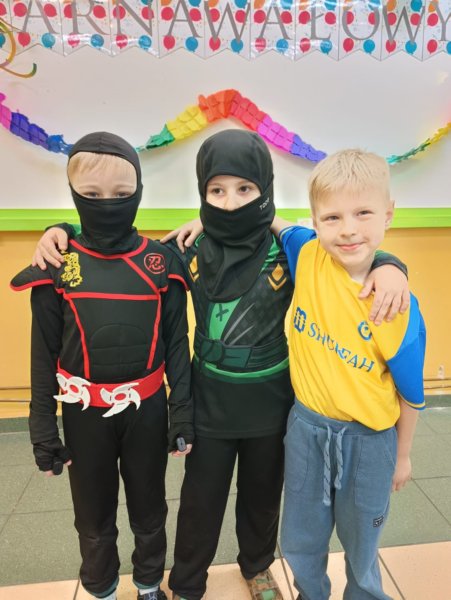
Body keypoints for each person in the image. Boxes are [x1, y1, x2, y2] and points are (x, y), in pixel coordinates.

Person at [31, 130, 410, 600]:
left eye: (245, 188)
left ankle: (257, 567)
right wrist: (61, 231)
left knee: (262, 498)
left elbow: (347, 251)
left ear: (264, 188)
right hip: (209, 401)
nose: (230, 202)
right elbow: (116, 248)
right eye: (217, 190)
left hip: (272, 403)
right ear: (203, 192)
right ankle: (188, 582)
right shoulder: (185, 248)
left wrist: (391, 264)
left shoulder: (290, 251)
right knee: (200, 500)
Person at [10, 132, 194, 600]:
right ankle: (101, 588)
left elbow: (178, 344)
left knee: (150, 508)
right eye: (91, 194)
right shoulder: (57, 264)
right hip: (83, 414)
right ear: (73, 193)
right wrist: (41, 428)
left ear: (139, 191)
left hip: (147, 410)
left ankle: (149, 584)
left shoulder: (161, 263)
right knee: (92, 514)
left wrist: (183, 413)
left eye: (121, 192)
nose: (107, 203)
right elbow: (42, 354)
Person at [271, 149, 426, 600]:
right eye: (332, 217)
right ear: (316, 222)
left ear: (388, 215)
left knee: (362, 544)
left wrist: (402, 455)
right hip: (307, 429)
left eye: (363, 213)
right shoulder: (306, 253)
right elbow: (271, 221)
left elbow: (411, 393)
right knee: (300, 539)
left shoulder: (397, 306)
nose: (348, 229)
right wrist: (205, 219)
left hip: (370, 442)